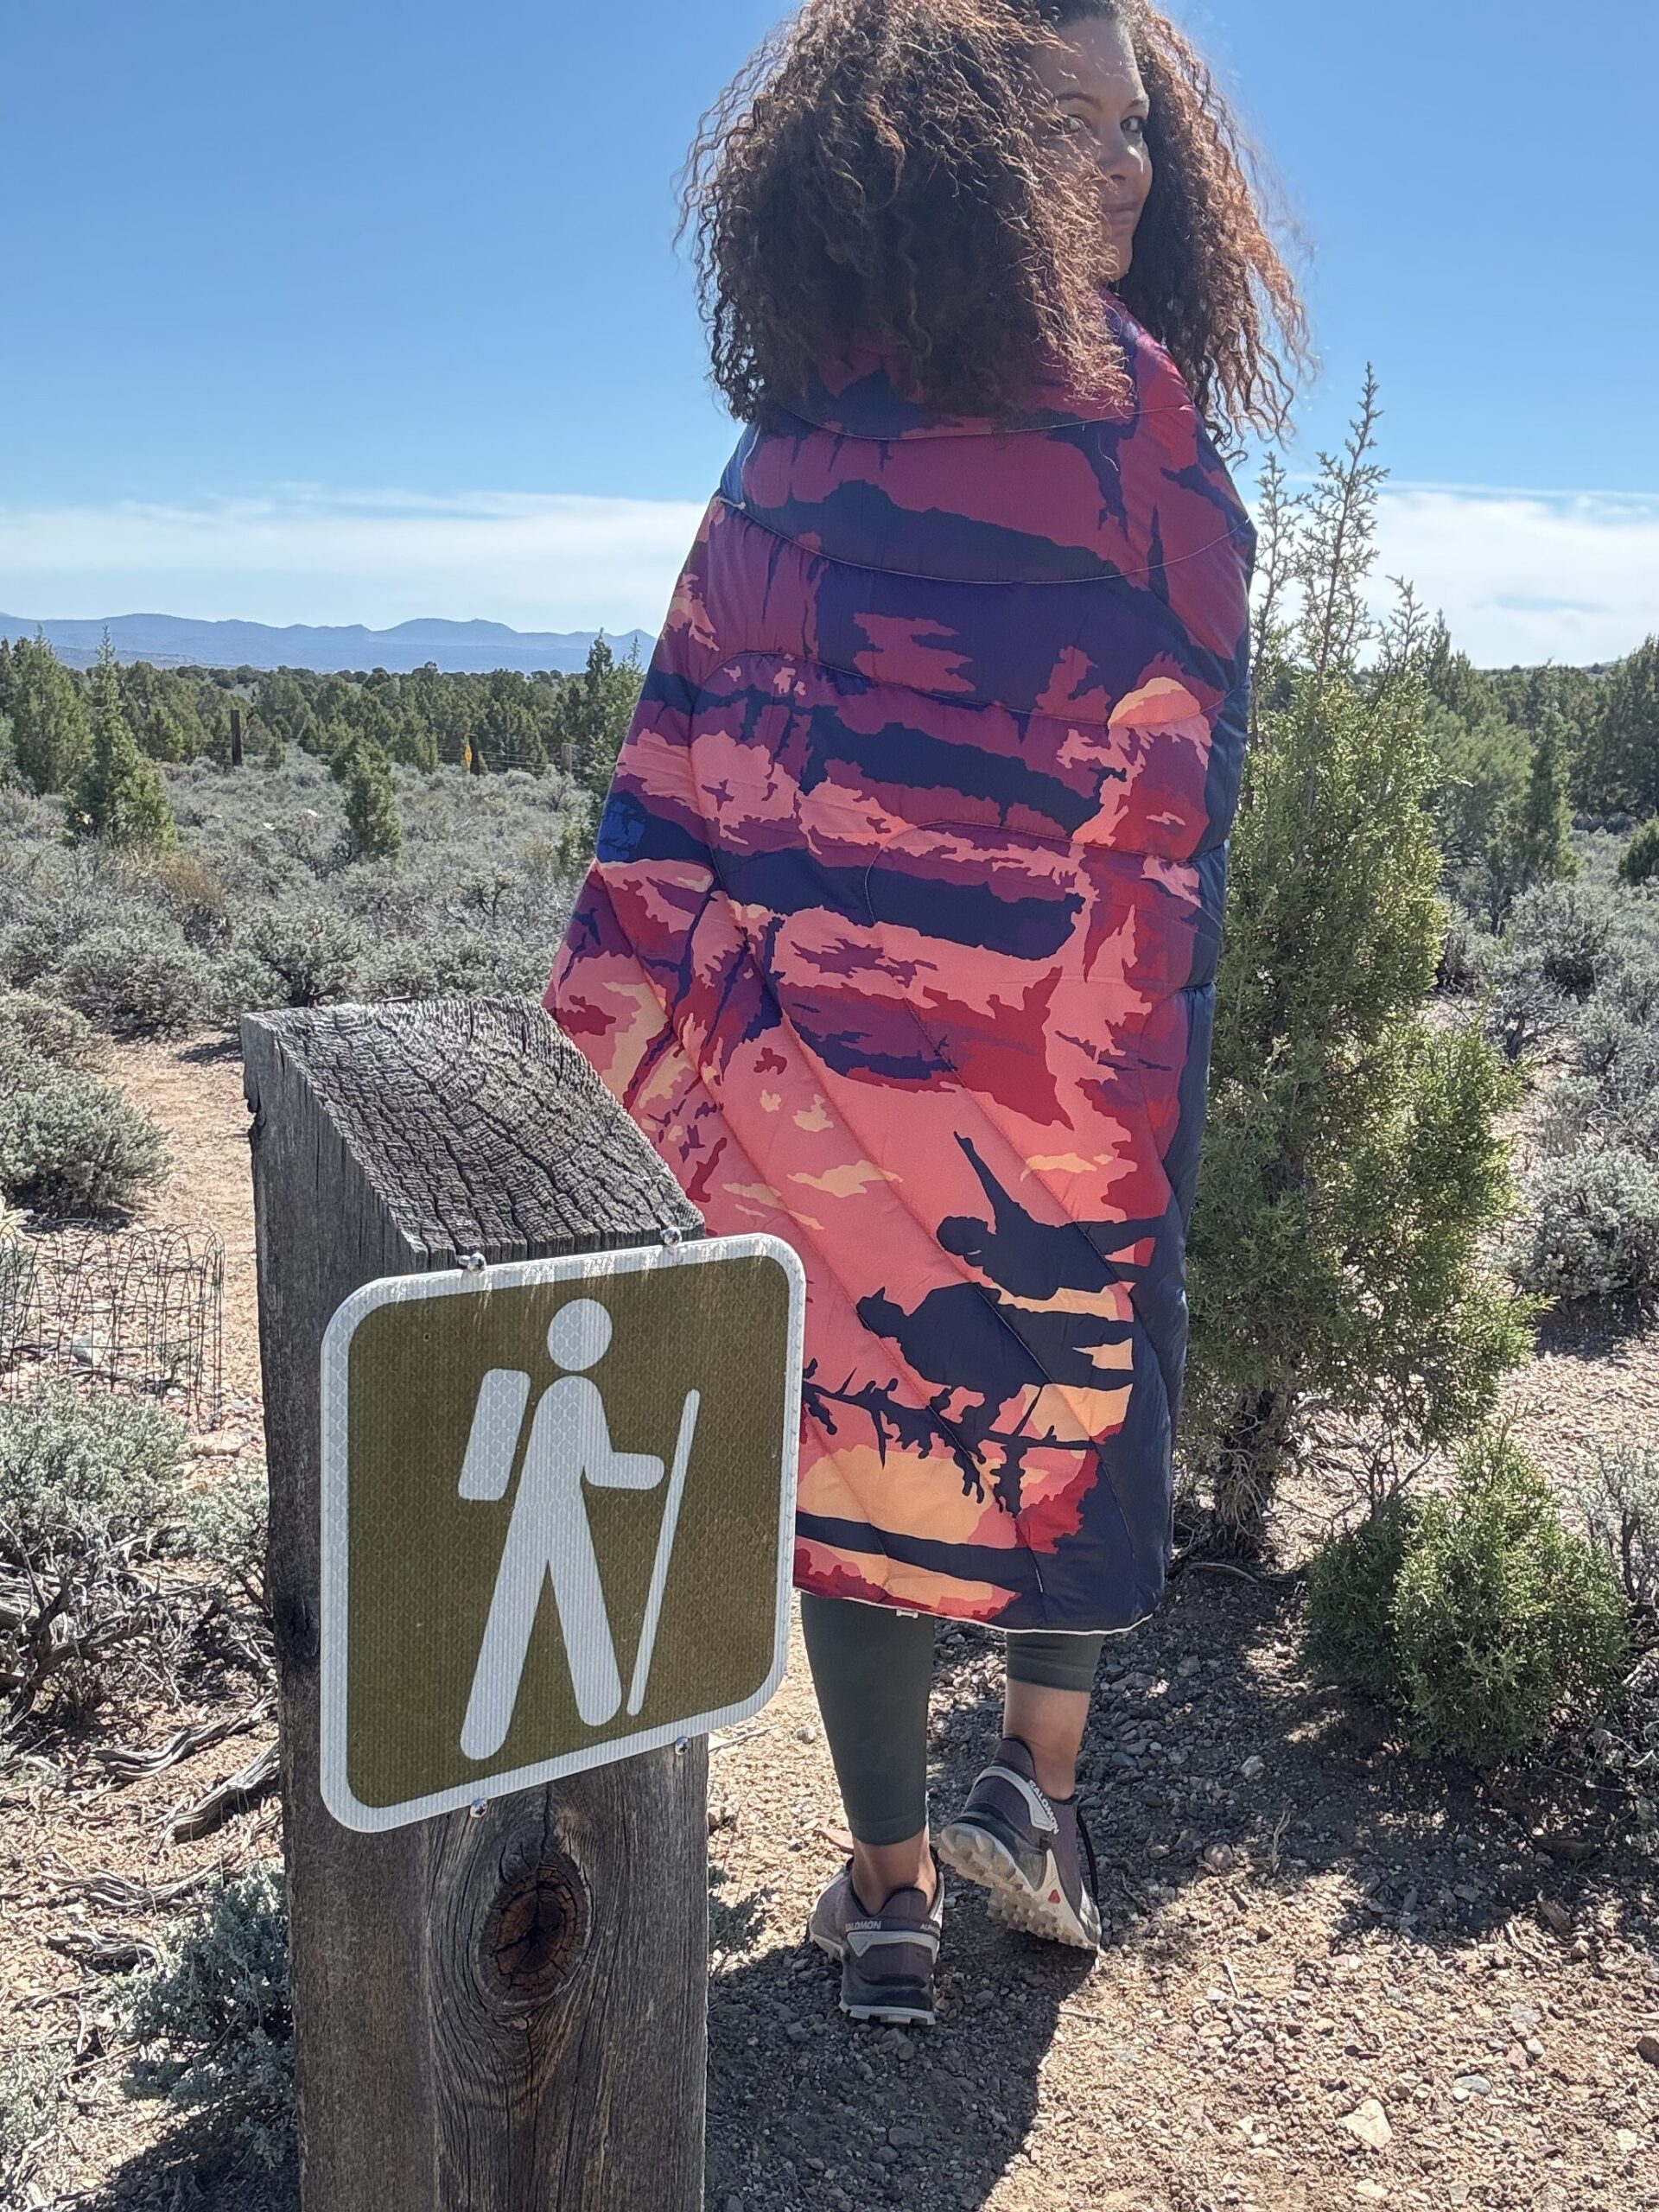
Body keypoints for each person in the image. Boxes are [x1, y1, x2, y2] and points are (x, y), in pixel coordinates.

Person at [546, 0, 1304, 2025]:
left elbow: (682, 769)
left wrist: (616, 1045)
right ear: (943, 167)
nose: (1129, 171)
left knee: (875, 1443)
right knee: (1030, 1394)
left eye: (1138, 131)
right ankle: (991, 1820)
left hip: (921, 1065)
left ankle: (914, 1876)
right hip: (1022, 1067)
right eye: (1075, 137)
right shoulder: (1139, 435)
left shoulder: (816, 439)